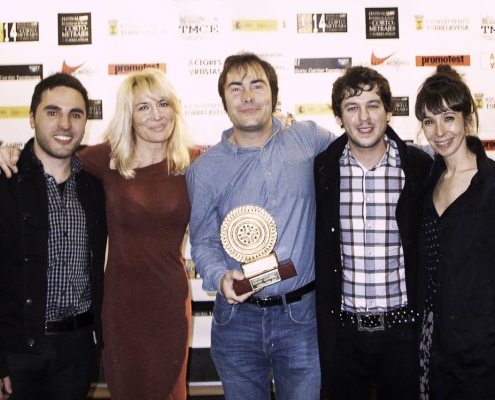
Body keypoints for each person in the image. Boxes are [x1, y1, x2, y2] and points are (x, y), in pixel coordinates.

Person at [0, 68, 199, 400]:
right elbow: (51, 152)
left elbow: (238, 158)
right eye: (143, 107)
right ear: (129, 116)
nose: (155, 115)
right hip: (119, 308)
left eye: (163, 103)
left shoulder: (193, 163)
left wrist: (279, 128)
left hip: (168, 304)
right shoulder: (105, 161)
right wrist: (9, 151)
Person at [186, 52, 335, 400]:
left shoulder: (309, 140)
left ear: (274, 94)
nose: (248, 96)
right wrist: (220, 276)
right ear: (224, 99)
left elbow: (359, 151)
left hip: (302, 317)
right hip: (237, 321)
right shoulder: (204, 170)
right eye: (235, 88)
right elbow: (203, 242)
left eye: (257, 85)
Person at [313, 66, 433, 399]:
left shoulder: (419, 167)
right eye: (352, 107)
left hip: (403, 334)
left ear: (389, 111)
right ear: (339, 117)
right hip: (344, 335)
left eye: (373, 105)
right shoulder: (323, 169)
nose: (363, 117)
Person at [0, 73, 107, 400]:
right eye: (52, 112)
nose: (65, 123)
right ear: (32, 118)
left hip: (78, 349)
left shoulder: (95, 188)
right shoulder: (6, 181)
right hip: (18, 350)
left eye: (76, 114)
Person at [415, 65, 495, 399]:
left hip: (483, 349)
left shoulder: (490, 185)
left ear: (466, 117)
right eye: (429, 121)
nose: (439, 131)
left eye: (448, 117)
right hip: (432, 346)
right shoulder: (427, 180)